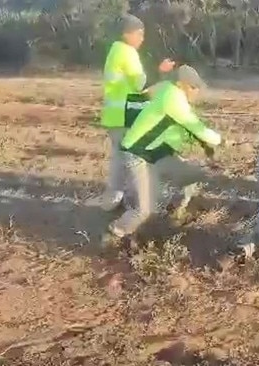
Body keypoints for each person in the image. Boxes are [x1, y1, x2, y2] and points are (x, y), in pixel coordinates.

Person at [107, 65, 222, 238]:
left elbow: (189, 128)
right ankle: (114, 233)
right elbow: (195, 127)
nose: (196, 92)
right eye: (193, 87)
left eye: (197, 87)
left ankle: (175, 211)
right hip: (136, 154)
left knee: (192, 174)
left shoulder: (168, 91)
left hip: (156, 152)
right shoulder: (173, 98)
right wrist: (221, 140)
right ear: (180, 84)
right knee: (142, 211)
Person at [87, 13, 176, 211]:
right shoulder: (127, 52)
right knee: (136, 162)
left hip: (115, 117)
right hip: (124, 117)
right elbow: (140, 83)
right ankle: (140, 205)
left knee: (120, 162)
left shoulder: (115, 51)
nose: (142, 38)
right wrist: (160, 70)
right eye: (139, 33)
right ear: (127, 33)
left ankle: (112, 202)